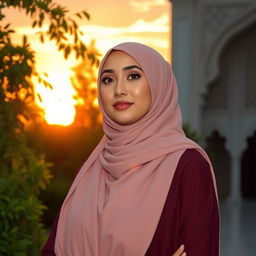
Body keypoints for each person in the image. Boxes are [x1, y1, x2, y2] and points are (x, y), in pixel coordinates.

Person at [41, 42, 219, 256]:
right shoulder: (92, 167)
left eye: (133, 76)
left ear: (158, 83)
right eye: (108, 80)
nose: (119, 90)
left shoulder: (188, 167)